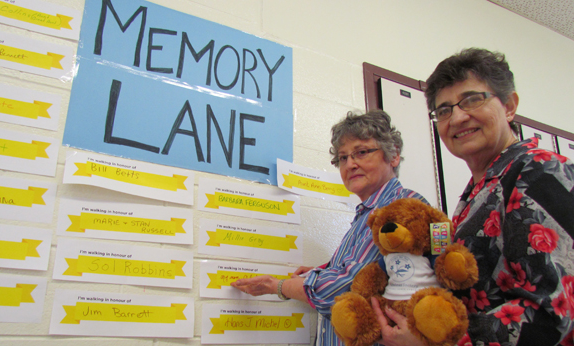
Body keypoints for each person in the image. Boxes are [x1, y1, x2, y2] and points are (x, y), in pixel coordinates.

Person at [371, 47, 574, 346]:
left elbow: (551, 313)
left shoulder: (539, 168)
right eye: (444, 110)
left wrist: (435, 342)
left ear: (509, 105)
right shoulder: (476, 192)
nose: (457, 117)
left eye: (472, 100)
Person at [231, 110, 427, 345]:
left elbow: (346, 288)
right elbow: (371, 272)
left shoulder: (401, 209)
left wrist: (280, 286)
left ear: (393, 155)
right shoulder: (368, 212)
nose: (350, 164)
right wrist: (323, 270)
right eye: (343, 158)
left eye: (362, 152)